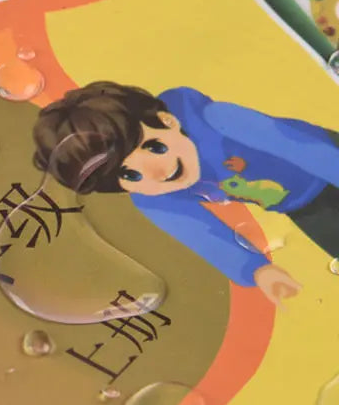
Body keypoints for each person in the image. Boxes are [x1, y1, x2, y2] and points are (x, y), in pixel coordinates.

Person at [32, 81, 339, 304]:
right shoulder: (153, 196)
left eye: (155, 147)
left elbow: (294, 145)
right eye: (131, 175)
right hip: (301, 204)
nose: (159, 171)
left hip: (327, 157)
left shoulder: (217, 119)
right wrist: (256, 270)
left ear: (167, 122)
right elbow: (198, 231)